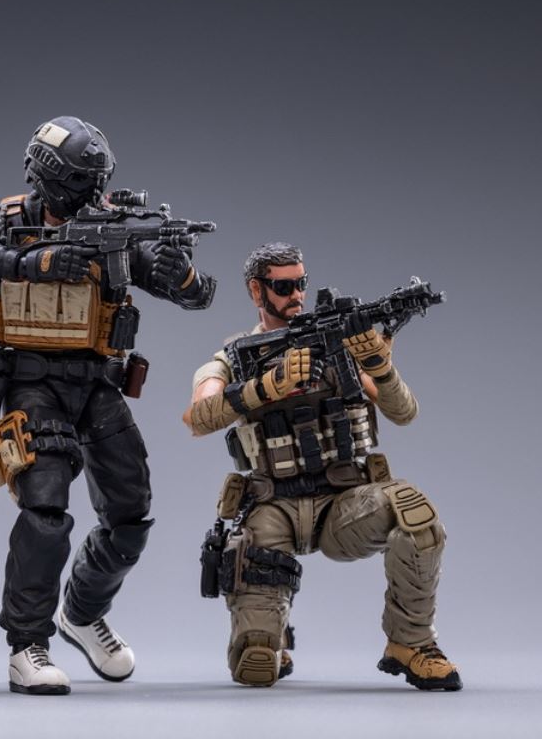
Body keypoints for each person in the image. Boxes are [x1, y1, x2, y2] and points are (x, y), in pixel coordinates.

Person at [0, 116, 216, 694]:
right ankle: (27, 645)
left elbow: (194, 294)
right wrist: (29, 263)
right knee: (45, 512)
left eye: (97, 181)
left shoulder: (114, 227)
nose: (92, 192)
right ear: (46, 177)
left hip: (97, 385)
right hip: (31, 383)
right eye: (80, 181)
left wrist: (183, 274)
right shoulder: (12, 221)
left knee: (131, 516)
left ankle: (83, 614)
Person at [183, 241, 461, 691]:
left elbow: (404, 412)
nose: (296, 295)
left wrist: (380, 368)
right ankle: (271, 632)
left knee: (416, 515)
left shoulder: (339, 348)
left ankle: (410, 643)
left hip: (342, 505)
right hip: (272, 510)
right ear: (256, 291)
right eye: (283, 287)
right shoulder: (232, 358)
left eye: (301, 284)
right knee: (256, 664)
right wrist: (268, 386)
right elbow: (198, 417)